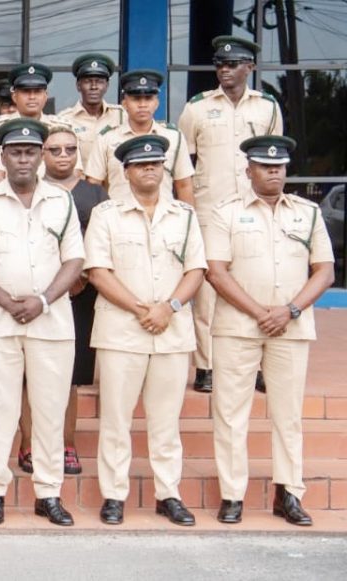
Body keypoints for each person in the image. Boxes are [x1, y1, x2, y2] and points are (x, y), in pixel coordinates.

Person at [0, 119, 84, 527]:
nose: (24, 158)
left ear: (41, 155)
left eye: (31, 151)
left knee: (49, 410)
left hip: (51, 323)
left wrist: (43, 300)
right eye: (16, 152)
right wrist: (6, 302)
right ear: (4, 157)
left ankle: (48, 493)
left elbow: (75, 261)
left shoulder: (61, 201)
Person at [205, 136, 334, 526]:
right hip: (237, 327)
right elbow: (215, 270)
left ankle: (289, 493)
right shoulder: (225, 212)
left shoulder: (308, 213)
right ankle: (232, 495)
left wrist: (290, 310)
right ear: (249, 171)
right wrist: (261, 312)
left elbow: (325, 271)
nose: (273, 171)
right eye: (264, 165)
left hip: (290, 329)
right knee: (230, 413)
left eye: (278, 165)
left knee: (288, 414)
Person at [85, 134, 207, 527]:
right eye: (140, 164)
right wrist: (143, 309)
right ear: (126, 171)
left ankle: (168, 493)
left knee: (166, 421)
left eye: (155, 163)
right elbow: (98, 271)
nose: (149, 169)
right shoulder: (106, 214)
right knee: (116, 419)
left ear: (165, 169)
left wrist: (168, 308)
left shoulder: (185, 216)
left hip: (171, 331)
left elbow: (196, 270)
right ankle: (114, 495)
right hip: (122, 331)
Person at [178, 36, 284, 394]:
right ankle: (206, 366)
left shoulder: (267, 107)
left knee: (256, 282)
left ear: (249, 68)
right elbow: (182, 164)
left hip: (255, 208)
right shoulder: (197, 107)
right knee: (208, 290)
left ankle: (254, 365)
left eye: (233, 64)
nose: (224, 69)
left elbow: (275, 160)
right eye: (220, 64)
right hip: (211, 210)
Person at [16, 127, 107, 476]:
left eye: (70, 149)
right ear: (43, 154)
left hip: (80, 295)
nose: (63, 155)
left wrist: (78, 279)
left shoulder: (95, 194)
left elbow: (99, 242)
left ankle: (65, 444)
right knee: (28, 376)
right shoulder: (29, 190)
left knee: (68, 377)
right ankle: (28, 445)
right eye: (54, 150)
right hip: (35, 294)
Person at [86, 70, 194, 204]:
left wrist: (189, 223)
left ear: (156, 103)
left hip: (163, 219)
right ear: (124, 104)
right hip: (119, 219)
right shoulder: (106, 138)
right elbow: (93, 186)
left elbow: (184, 185)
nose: (142, 105)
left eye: (148, 98)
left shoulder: (174, 137)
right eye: (136, 99)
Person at [0, 64, 81, 183]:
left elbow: (74, 174)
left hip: (56, 199)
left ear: (46, 96)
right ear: (14, 96)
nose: (32, 97)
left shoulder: (62, 128)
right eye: (26, 91)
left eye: (37, 92)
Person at [58, 54, 125, 166]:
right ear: (78, 86)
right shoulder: (64, 119)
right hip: (80, 182)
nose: (94, 86)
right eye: (88, 81)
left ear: (107, 86)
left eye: (99, 81)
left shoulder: (122, 116)